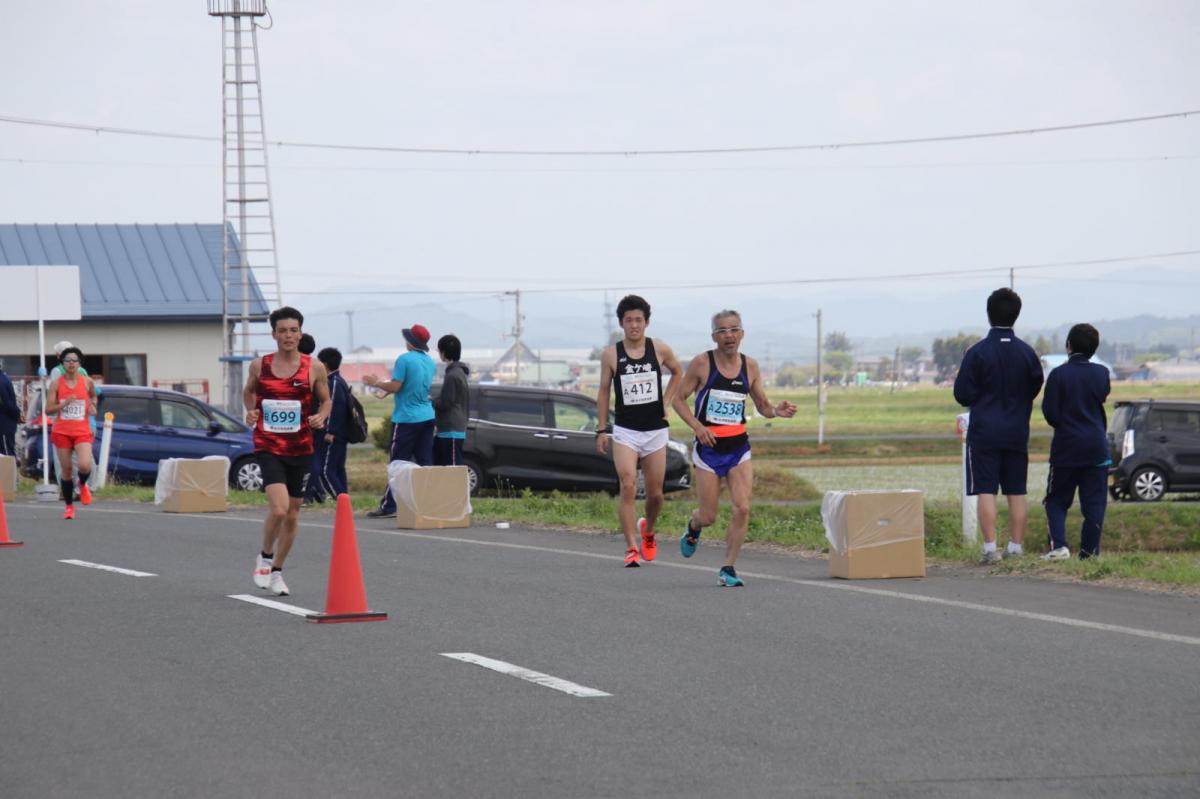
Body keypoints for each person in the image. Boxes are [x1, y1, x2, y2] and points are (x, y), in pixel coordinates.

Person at [671, 310, 796, 586]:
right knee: (709, 516)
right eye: (722, 331)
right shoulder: (702, 363)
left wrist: (777, 410)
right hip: (708, 449)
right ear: (714, 336)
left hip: (738, 447)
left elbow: (762, 405)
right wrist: (698, 427)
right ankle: (693, 527)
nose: (728, 336)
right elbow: (678, 400)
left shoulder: (750, 366)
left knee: (742, 508)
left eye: (733, 330)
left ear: (742, 333)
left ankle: (728, 568)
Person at [244, 307, 331, 597]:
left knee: (293, 515)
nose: (288, 335)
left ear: (300, 333)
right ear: (274, 335)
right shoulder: (260, 366)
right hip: (269, 445)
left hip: (301, 448)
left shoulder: (314, 367)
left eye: (293, 330)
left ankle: (277, 571)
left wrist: (322, 417)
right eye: (283, 331)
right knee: (279, 509)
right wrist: (251, 411)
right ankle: (265, 557)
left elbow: (325, 400)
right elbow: (248, 392)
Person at [953, 288, 1045, 564]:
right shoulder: (1028, 353)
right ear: (1016, 314)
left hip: (985, 431)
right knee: (1017, 490)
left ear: (988, 313)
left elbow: (962, 395)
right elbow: (1034, 386)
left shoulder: (977, 352)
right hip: (1017, 429)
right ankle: (1016, 547)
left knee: (986, 489)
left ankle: (990, 547)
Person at [595, 295, 684, 567]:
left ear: (646, 322)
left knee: (656, 494)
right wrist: (601, 429)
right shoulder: (611, 354)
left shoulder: (659, 349)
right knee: (628, 485)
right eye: (629, 320)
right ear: (621, 323)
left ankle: (649, 530)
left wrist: (666, 402)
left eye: (638, 320)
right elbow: (603, 391)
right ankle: (631, 548)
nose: (634, 325)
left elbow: (678, 373)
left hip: (655, 430)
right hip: (625, 430)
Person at [1040, 324, 1111, 561]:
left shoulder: (1058, 375)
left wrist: (1066, 424)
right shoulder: (1102, 373)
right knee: (1094, 505)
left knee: (1056, 500)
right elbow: (1101, 396)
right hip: (1097, 448)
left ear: (1068, 345)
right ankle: (1089, 554)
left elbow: (1050, 413)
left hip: (1066, 448)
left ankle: (1059, 546)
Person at [364, 324, 436, 518]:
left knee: (398, 462)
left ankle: (390, 506)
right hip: (427, 416)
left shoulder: (404, 359)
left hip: (406, 419)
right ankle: (426, 503)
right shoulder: (430, 362)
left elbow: (397, 385)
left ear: (410, 343)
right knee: (424, 462)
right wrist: (386, 390)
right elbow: (412, 384)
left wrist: (376, 383)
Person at [43, 347, 97, 520]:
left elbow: (94, 397)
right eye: (67, 360)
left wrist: (93, 405)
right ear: (62, 363)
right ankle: (69, 506)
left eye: (74, 360)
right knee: (66, 471)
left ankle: (82, 484)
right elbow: (48, 409)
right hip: (62, 431)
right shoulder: (56, 384)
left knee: (84, 465)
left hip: (82, 430)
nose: (71, 363)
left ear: (80, 363)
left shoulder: (87, 381)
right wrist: (63, 405)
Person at [314, 346, 351, 499]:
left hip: (333, 434)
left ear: (325, 365)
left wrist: (331, 431)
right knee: (337, 469)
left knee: (325, 470)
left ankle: (340, 499)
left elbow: (336, 407)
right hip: (340, 433)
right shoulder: (339, 380)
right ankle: (345, 497)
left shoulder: (333, 382)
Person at [432, 334, 470, 467]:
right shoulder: (459, 372)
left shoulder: (452, 375)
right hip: (451, 428)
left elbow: (446, 403)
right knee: (443, 467)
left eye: (439, 351)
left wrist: (431, 401)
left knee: (453, 469)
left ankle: (457, 489)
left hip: (451, 428)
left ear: (443, 352)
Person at [298, 334, 326, 505]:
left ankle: (308, 493)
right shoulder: (317, 367)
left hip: (305, 422)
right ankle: (315, 492)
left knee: (308, 461)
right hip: (316, 420)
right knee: (313, 459)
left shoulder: (303, 368)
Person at [0, 359, 20, 456]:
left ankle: (9, 471)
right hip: (6, 422)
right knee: (6, 452)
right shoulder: (4, 379)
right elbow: (7, 403)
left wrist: (16, 413)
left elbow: (5, 403)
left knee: (6, 453)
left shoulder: (2, 380)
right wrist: (17, 413)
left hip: (4, 422)